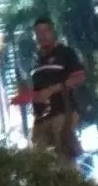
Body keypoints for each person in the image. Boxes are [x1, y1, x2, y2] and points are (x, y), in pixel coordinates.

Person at [30, 16, 85, 166]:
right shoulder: (36, 61)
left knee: (64, 156)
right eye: (38, 33)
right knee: (37, 159)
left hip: (62, 112)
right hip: (41, 117)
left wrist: (53, 90)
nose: (42, 36)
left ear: (53, 32)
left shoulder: (65, 53)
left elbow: (78, 77)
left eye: (45, 31)